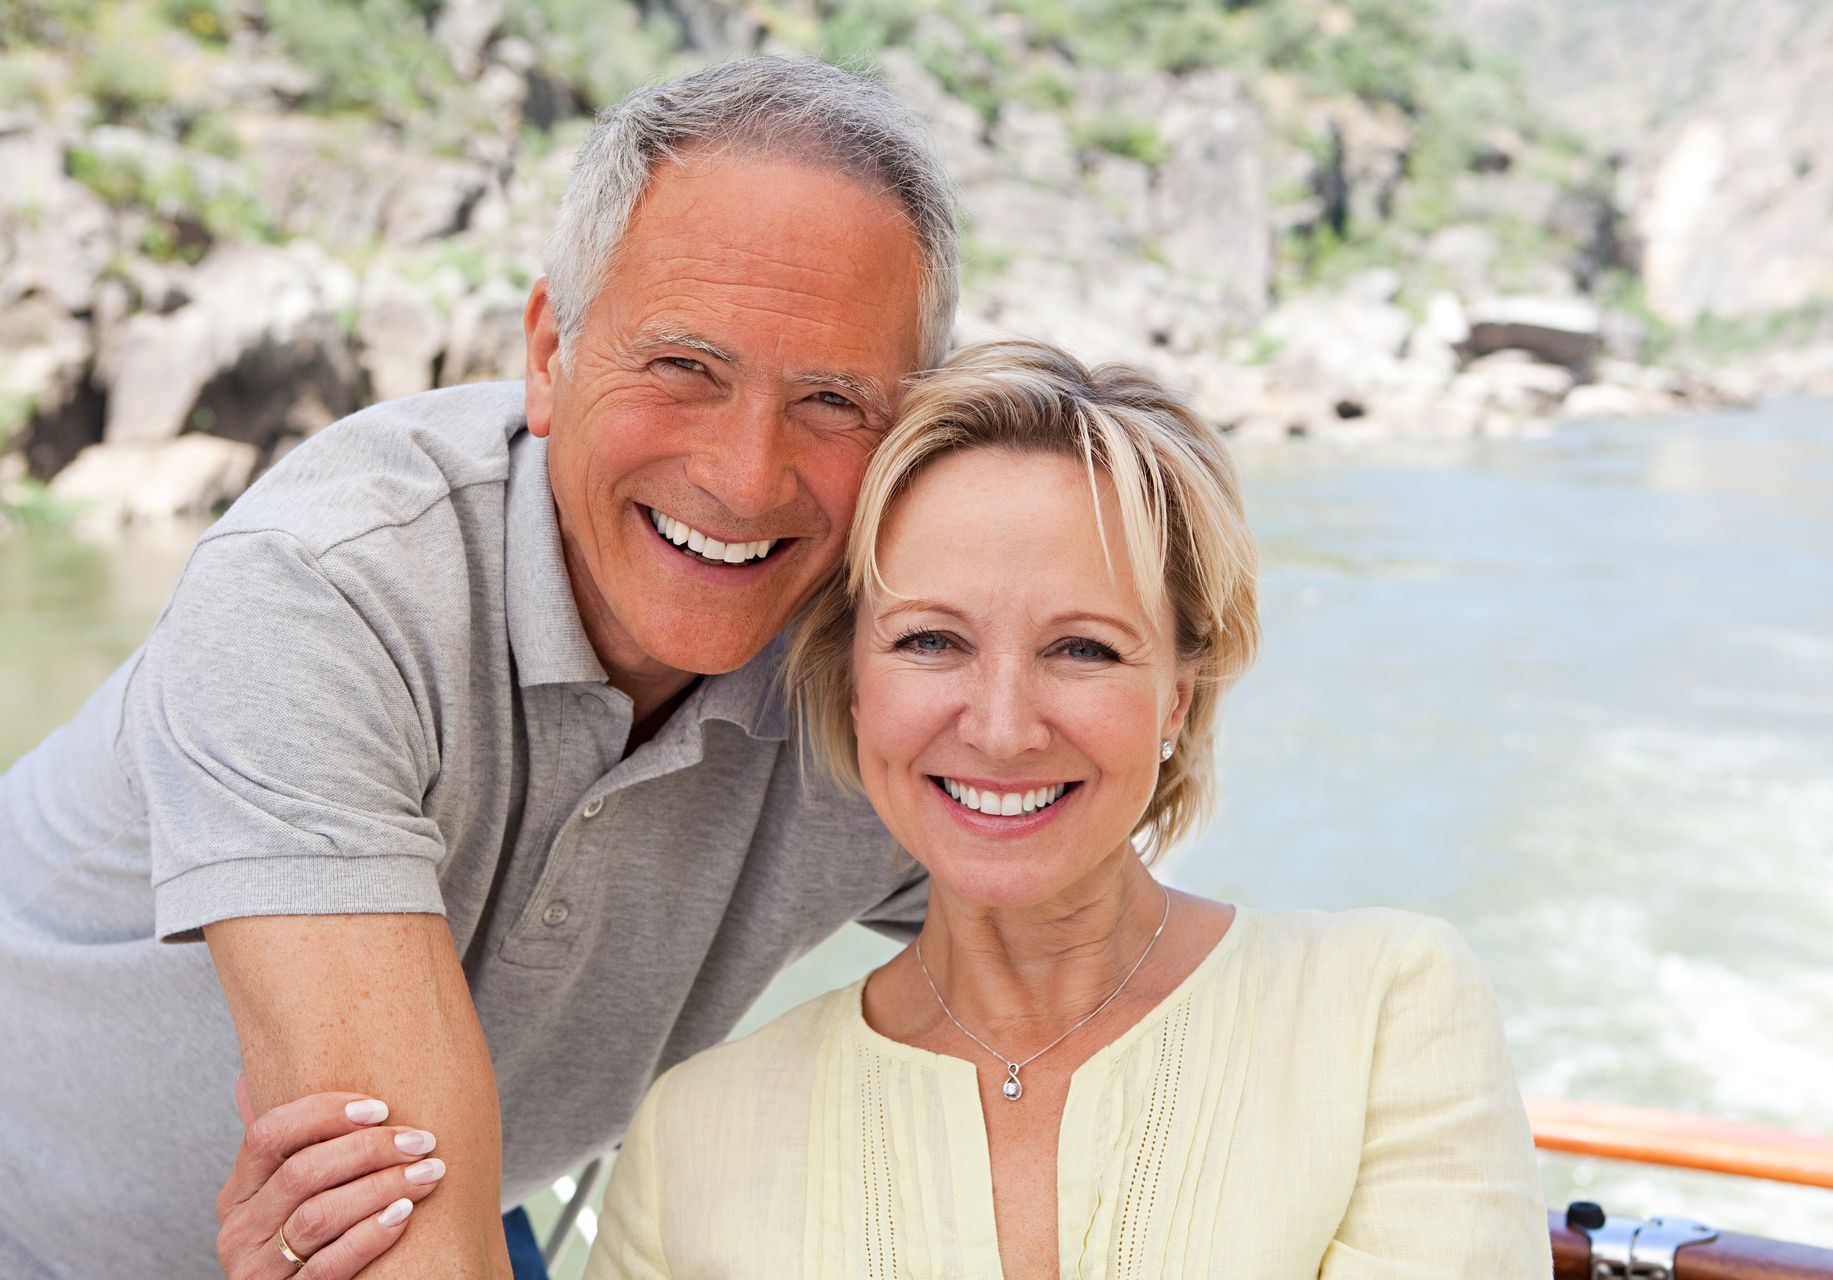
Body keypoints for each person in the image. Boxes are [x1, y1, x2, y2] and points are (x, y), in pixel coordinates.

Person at [0, 57, 959, 1279]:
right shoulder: (323, 586)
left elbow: (1110, 983)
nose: (744, 475)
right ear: (550, 352)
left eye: (833, 399)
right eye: (685, 367)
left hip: (452, 1195)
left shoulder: (906, 666)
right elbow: (402, 1234)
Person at [570, 341, 1551, 1276]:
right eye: (930, 641)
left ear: (1178, 697)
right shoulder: (689, 1137)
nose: (1002, 730)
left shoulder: (1384, 1014)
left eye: (1083, 648)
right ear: (853, 681)